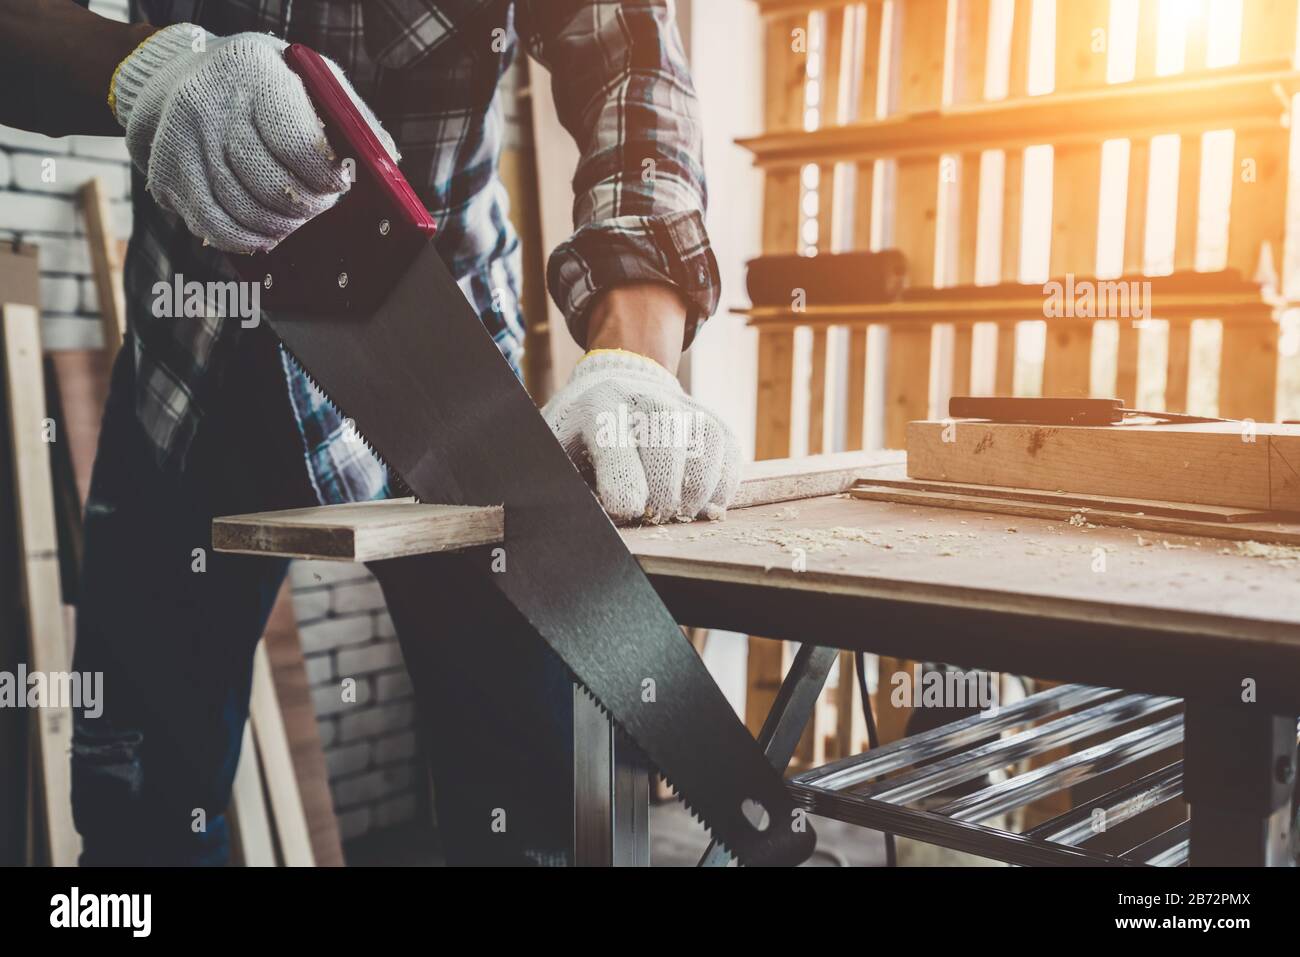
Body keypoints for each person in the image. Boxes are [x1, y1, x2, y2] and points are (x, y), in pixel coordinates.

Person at [1, 0, 739, 865]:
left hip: (448, 394)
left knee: (536, 820)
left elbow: (626, 60)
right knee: (135, 825)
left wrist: (637, 354)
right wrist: (136, 66)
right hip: (188, 375)